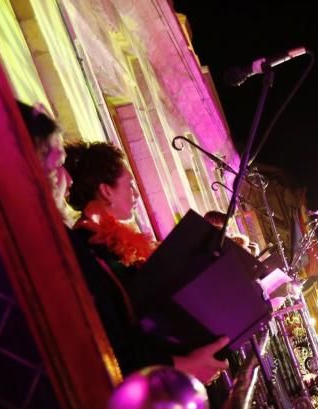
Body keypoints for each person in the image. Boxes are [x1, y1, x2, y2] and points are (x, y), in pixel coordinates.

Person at [14, 105, 228, 383]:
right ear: (106, 190)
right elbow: (111, 334)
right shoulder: (83, 245)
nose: (136, 193)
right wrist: (180, 364)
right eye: (129, 184)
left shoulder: (90, 242)